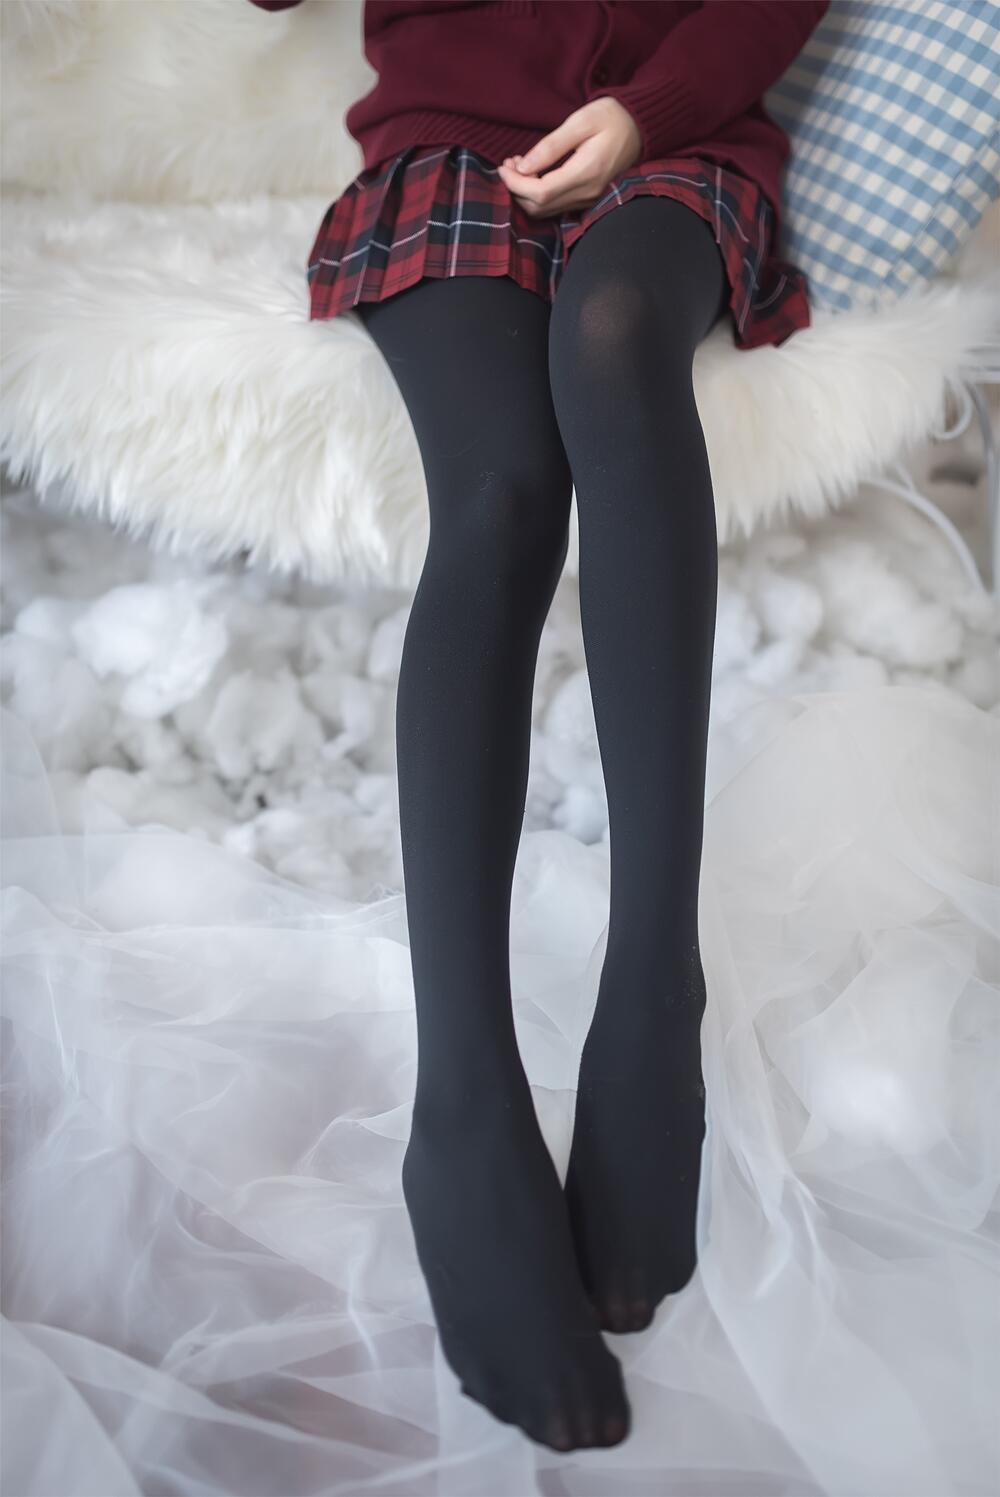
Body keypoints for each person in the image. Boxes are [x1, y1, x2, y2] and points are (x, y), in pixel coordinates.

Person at [251, 0, 829, 1456]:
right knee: (501, 494)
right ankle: (463, 1100)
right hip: (449, 145)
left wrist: (650, 111)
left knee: (618, 345)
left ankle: (651, 991)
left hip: (677, 138)